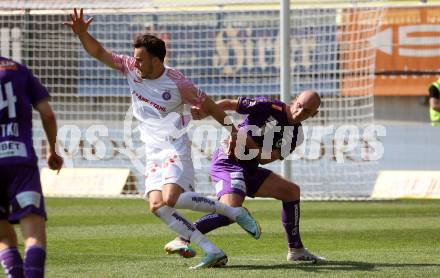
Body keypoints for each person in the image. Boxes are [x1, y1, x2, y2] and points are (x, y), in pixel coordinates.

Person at [64, 8, 261, 269]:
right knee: (157, 206)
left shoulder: (178, 83)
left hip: (174, 147)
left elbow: (212, 107)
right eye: (134, 58)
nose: (135, 63)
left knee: (171, 199)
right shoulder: (131, 69)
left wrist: (234, 132)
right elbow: (100, 53)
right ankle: (211, 250)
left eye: (141, 59)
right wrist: (82, 34)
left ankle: (233, 211)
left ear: (157, 60)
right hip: (152, 151)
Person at [166, 90, 325, 264]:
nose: (299, 112)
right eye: (299, 106)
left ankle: (296, 250)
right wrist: (204, 112)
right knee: (231, 212)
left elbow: (266, 158)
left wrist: (248, 142)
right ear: (295, 101)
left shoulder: (296, 135)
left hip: (250, 168)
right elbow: (228, 103)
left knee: (291, 191)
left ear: (314, 114)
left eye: (307, 111)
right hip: (229, 162)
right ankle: (183, 238)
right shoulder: (268, 106)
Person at [0, 56, 64, 278]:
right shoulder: (17, 70)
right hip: (21, 163)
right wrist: (53, 149)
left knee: (4, 238)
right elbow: (47, 114)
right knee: (33, 236)